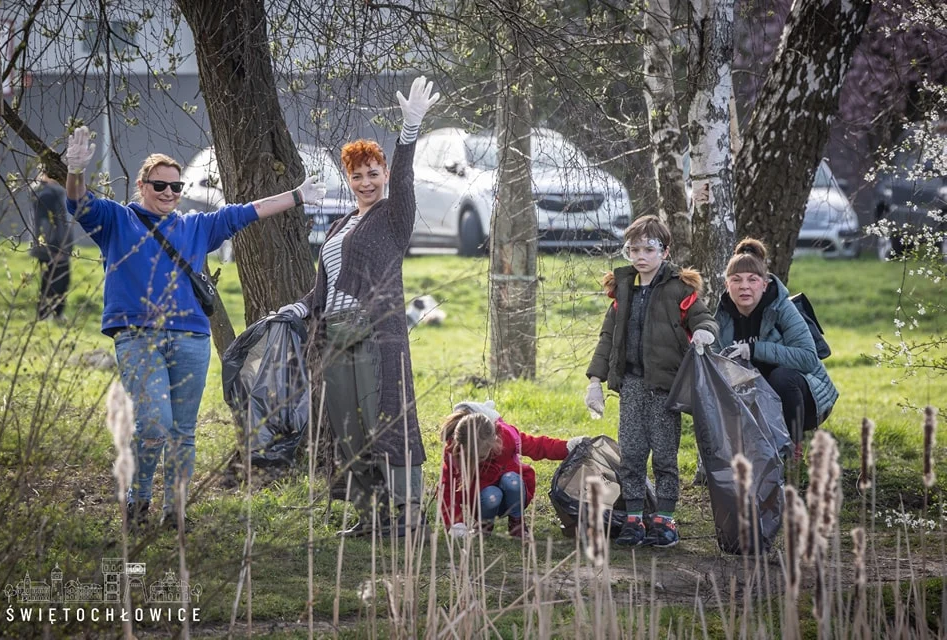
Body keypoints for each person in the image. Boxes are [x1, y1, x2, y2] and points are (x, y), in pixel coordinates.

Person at [64, 125, 326, 531]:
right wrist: (76, 171)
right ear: (142, 185)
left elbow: (246, 212)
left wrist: (297, 196)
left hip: (191, 339)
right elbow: (79, 206)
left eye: (176, 186)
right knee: (153, 425)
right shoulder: (118, 220)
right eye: (160, 186)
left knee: (183, 432)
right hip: (138, 336)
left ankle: (176, 511)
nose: (169, 193)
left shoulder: (194, 226)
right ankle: (138, 499)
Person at [277, 77, 440, 538]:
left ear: (383, 174)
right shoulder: (340, 226)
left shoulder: (394, 216)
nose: (366, 181)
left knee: (389, 420)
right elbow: (322, 290)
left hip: (377, 337)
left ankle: (409, 516)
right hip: (334, 338)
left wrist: (410, 130)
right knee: (350, 426)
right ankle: (372, 516)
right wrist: (296, 310)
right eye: (357, 175)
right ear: (348, 180)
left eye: (373, 173)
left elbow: (406, 178)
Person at [584, 215, 718, 548]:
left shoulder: (679, 288)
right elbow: (607, 337)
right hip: (630, 385)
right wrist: (595, 381)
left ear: (664, 250)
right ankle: (633, 519)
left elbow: (704, 318)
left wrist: (704, 332)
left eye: (649, 248)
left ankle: (665, 520)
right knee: (630, 453)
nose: (641, 256)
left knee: (664, 456)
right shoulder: (623, 289)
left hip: (665, 387)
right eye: (634, 249)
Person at [713, 238, 838, 459]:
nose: (744, 286)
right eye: (736, 280)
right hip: (755, 401)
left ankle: (792, 452)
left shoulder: (782, 308)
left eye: (752, 280)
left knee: (782, 377)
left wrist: (755, 349)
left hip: (804, 402)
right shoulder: (721, 317)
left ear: (765, 284)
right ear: (727, 285)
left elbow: (809, 358)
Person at [439, 401, 590, 539]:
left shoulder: (507, 437)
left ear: (495, 440)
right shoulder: (455, 453)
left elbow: (538, 446)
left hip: (511, 492)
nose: (481, 460)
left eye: (484, 455)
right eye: (476, 457)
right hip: (483, 497)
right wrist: (455, 523)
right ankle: (483, 525)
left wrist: (567, 446)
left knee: (512, 480)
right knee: (493, 495)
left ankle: (517, 523)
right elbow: (447, 490)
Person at [30, 171, 73, 322]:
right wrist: (54, 248)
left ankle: (53, 314)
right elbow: (45, 223)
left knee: (56, 280)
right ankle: (48, 315)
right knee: (54, 281)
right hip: (52, 249)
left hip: (56, 247)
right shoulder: (47, 195)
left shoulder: (54, 193)